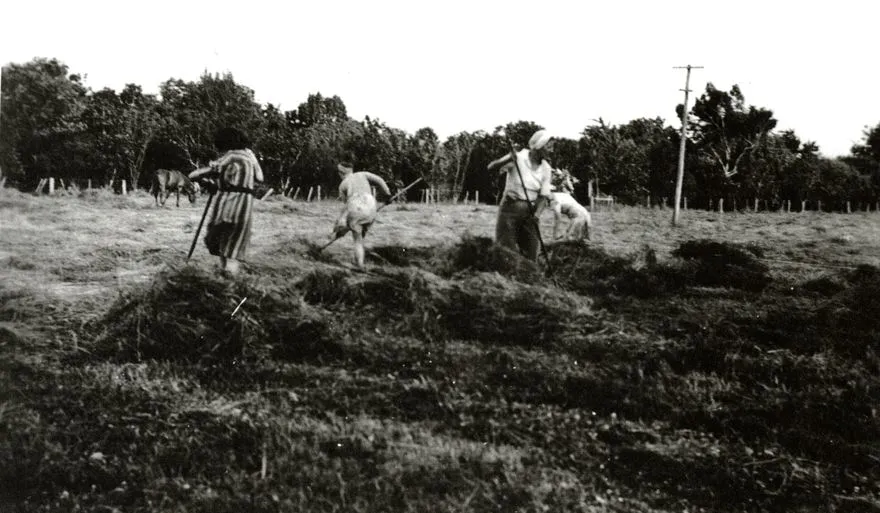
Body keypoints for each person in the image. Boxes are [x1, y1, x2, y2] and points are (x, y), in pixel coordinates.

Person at [188, 127, 263, 275]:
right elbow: (260, 178)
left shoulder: (231, 156)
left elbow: (194, 175)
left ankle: (226, 283)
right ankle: (227, 284)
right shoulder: (249, 158)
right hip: (244, 208)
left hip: (227, 205)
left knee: (223, 246)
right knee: (232, 249)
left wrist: (205, 180)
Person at [486, 129, 554, 261]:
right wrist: (507, 159)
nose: (551, 150)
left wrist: (536, 215)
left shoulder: (546, 168)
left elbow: (543, 196)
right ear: (539, 146)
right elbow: (491, 167)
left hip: (530, 212)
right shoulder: (519, 158)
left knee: (531, 252)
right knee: (506, 251)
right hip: (509, 210)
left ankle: (528, 278)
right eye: (549, 147)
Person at [331, 161, 392, 268]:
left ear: (341, 173)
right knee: (361, 232)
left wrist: (339, 224)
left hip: (355, 205)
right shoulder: (362, 174)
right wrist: (387, 194)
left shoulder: (342, 185)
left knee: (357, 239)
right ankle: (359, 258)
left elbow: (347, 206)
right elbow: (380, 180)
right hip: (371, 203)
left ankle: (359, 264)